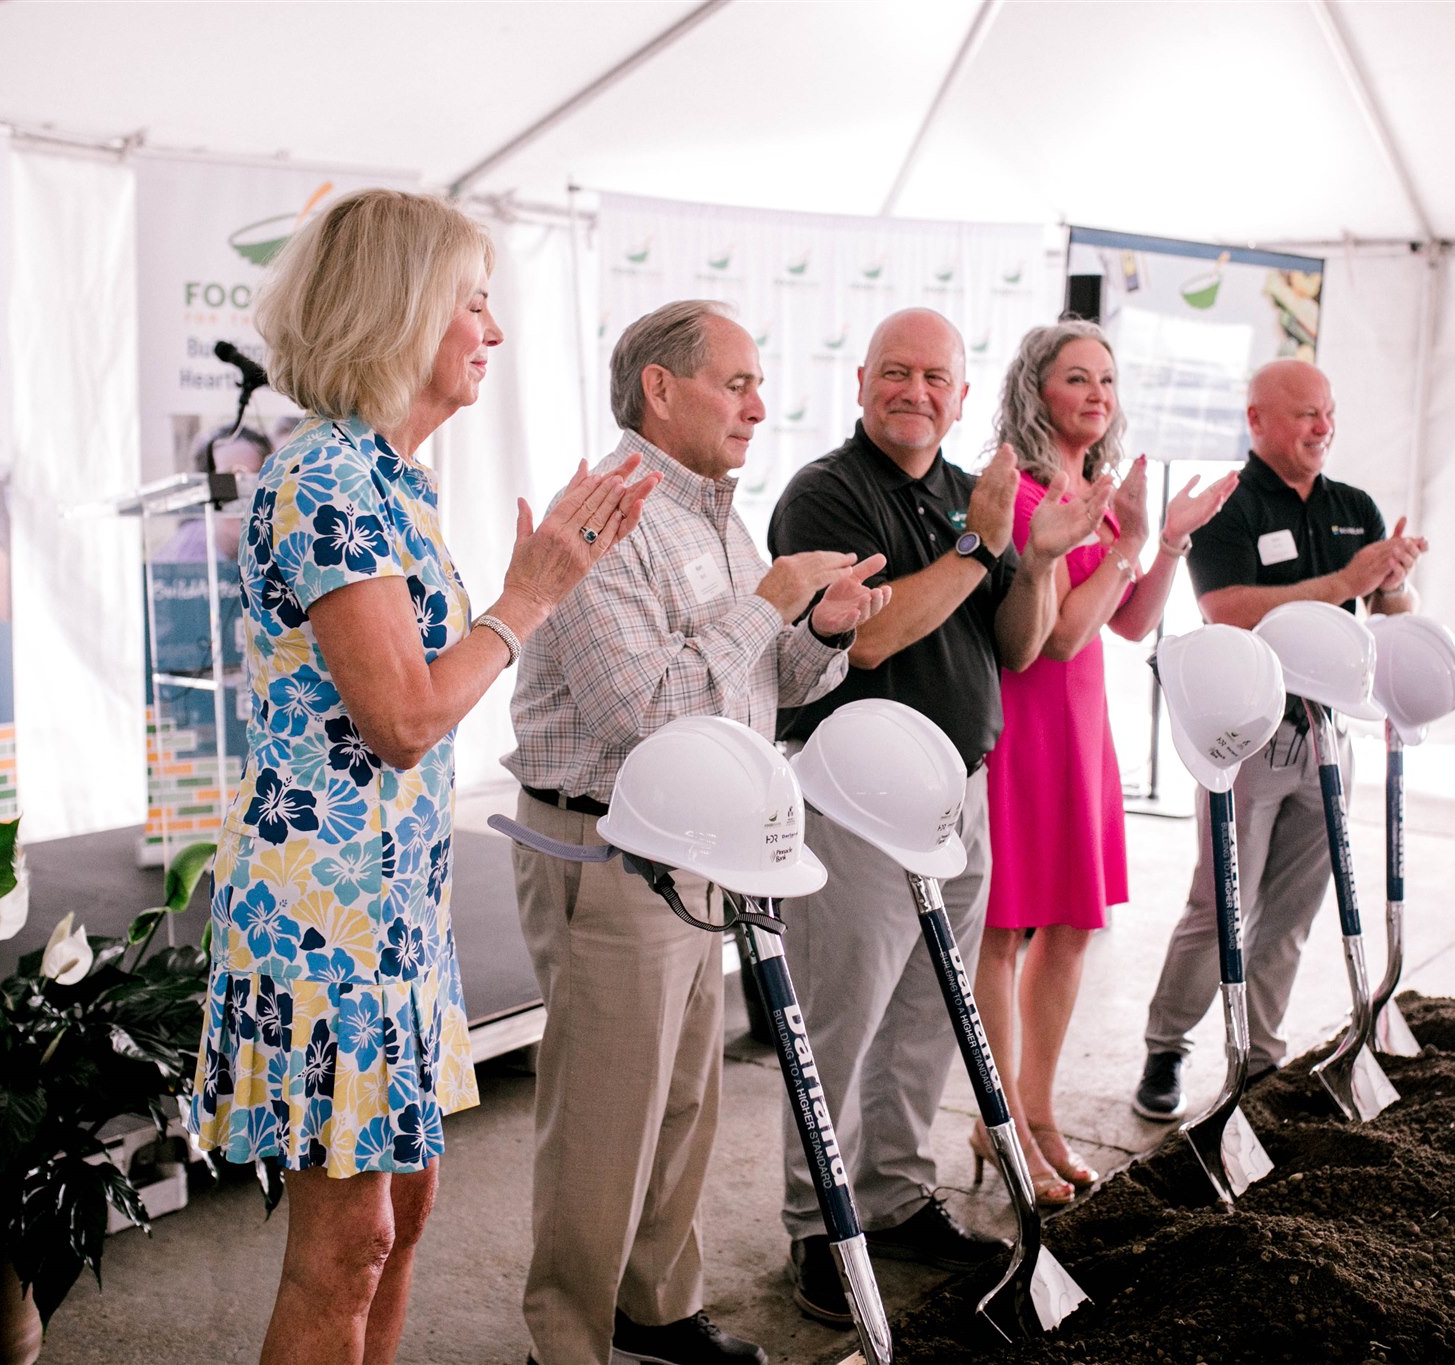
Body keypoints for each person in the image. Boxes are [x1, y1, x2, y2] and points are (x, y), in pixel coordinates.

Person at [185, 188, 655, 1365]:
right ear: (398, 312)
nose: (490, 332)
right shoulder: (330, 481)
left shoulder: (388, 478)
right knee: (345, 1249)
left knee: (401, 1228)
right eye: (473, 302)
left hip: (390, 911)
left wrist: (532, 584)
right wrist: (530, 593)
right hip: (322, 916)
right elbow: (400, 719)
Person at [504, 299, 887, 1365]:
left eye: (758, 384)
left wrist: (816, 631)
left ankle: (656, 1311)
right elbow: (647, 715)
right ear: (658, 389)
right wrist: (770, 601)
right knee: (601, 1118)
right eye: (736, 382)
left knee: (679, 1098)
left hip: (697, 849)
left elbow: (753, 689)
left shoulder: (713, 511)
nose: (759, 406)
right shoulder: (602, 514)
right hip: (610, 847)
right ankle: (566, 1345)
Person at [767, 307, 1112, 1326]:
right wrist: (979, 545)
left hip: (959, 788)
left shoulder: (972, 495)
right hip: (856, 793)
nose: (914, 391)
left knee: (928, 1012)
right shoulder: (826, 492)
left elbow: (1014, 647)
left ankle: (894, 1195)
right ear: (861, 381)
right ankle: (818, 1226)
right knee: (842, 1016)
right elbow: (866, 644)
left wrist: (1038, 558)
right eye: (895, 373)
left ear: (962, 397)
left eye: (934, 378)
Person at [977, 320, 1236, 1201]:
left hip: (1084, 725)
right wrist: (1125, 545)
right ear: (1034, 389)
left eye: (1109, 381)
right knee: (1007, 929)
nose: (1097, 394)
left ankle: (1039, 1111)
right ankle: (997, 1116)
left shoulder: (1095, 489)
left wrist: (1164, 544)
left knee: (1074, 925)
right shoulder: (1015, 491)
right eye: (1077, 378)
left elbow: (1127, 624)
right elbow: (1058, 636)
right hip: (1021, 721)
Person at [1133, 357, 1427, 1120]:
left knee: (1293, 911)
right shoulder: (1229, 507)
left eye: (1328, 413)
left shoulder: (1354, 506)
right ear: (1257, 420)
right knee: (1221, 905)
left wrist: (1391, 577)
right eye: (1305, 414)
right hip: (1249, 740)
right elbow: (1226, 610)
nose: (1322, 427)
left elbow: (1390, 612)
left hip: (1329, 741)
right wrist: (1346, 579)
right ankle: (1168, 1047)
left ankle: (1262, 1059)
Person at [155, 423, 275, 562]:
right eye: (229, 478)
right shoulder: (182, 555)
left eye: (257, 476)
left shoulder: (285, 548)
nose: (245, 490)